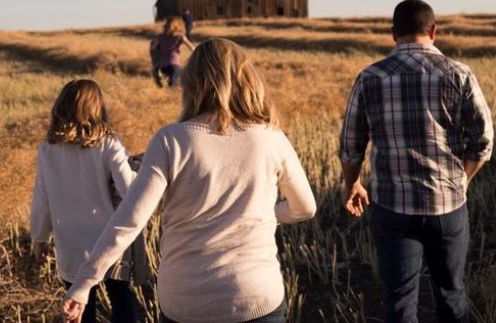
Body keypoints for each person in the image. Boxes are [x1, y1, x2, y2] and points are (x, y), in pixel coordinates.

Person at [62, 38, 317, 323]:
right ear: (245, 78)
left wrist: (84, 283)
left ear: (191, 82)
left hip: (186, 302)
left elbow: (130, 220)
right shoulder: (271, 138)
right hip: (255, 297)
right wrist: (262, 215)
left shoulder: (171, 140)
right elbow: (305, 208)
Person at [339, 0, 494, 323]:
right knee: (451, 295)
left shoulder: (370, 77)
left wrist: (351, 183)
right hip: (448, 206)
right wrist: (462, 180)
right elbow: (483, 142)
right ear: (434, 31)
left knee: (399, 303)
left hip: (392, 208)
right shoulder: (459, 74)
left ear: (392, 33)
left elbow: (352, 146)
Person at [30, 79, 145, 323]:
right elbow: (130, 191)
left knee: (80, 307)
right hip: (107, 241)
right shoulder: (109, 144)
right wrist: (139, 168)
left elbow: (42, 198)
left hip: (69, 243)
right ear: (98, 108)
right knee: (121, 296)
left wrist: (39, 237)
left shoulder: (47, 151)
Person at [150, 16, 195, 87]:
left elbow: (153, 48)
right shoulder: (180, 37)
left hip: (163, 66)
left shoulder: (160, 37)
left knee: (167, 84)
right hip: (174, 65)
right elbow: (192, 48)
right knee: (175, 85)